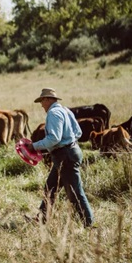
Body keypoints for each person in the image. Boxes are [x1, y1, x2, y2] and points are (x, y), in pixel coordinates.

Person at [30, 88, 94, 228]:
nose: (41, 105)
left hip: (64, 156)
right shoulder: (66, 110)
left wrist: (34, 146)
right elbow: (78, 132)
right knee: (50, 188)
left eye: (42, 101)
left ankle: (88, 223)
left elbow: (53, 138)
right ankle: (41, 219)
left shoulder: (53, 113)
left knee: (75, 192)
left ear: (47, 99)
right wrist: (68, 141)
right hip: (71, 151)